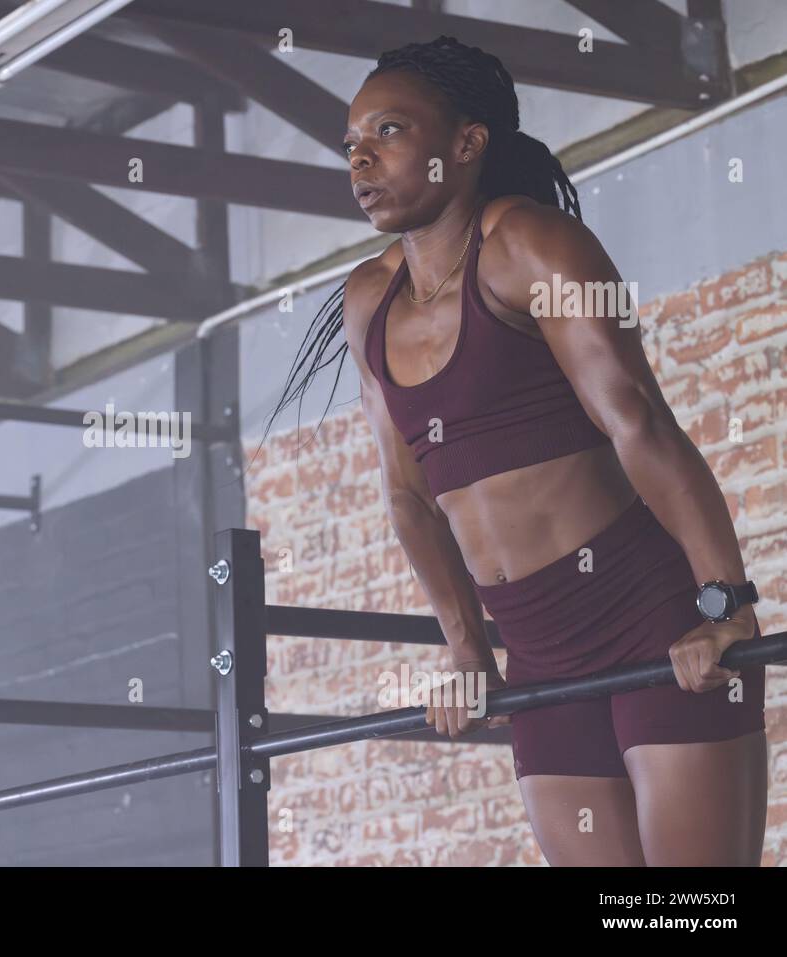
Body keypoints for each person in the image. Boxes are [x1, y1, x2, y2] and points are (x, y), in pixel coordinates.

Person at [262, 36, 767, 866]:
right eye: (352, 144)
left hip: (650, 617)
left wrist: (724, 606)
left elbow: (637, 422)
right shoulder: (370, 298)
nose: (361, 159)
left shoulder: (533, 245)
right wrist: (467, 649)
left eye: (388, 132)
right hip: (534, 653)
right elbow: (408, 495)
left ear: (466, 144)